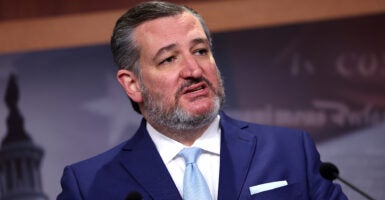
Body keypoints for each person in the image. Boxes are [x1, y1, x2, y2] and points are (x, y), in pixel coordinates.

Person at [58, 1, 347, 199]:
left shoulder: (290, 152)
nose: (194, 70)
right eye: (169, 59)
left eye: (199, 51)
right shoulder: (89, 185)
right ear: (133, 84)